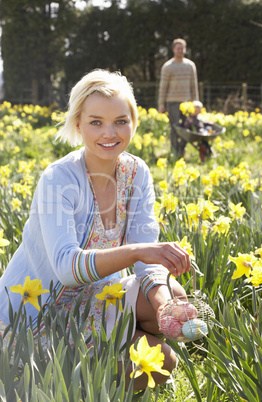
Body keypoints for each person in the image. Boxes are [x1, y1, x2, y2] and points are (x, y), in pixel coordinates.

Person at [0, 69, 191, 391]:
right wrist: (137, 251)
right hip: (38, 314)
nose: (109, 133)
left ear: (133, 121)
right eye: (95, 122)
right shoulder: (58, 178)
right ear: (78, 124)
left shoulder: (135, 172)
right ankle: (73, 377)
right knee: (162, 364)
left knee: (172, 295)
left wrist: (163, 307)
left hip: (95, 300)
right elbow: (66, 269)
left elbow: (148, 260)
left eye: (120, 120)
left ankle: (110, 346)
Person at [158, 38, 199, 156]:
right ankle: (174, 151)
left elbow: (194, 85)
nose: (180, 50)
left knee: (187, 129)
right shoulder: (168, 67)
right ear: (173, 49)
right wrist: (161, 105)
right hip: (172, 102)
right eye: (178, 48)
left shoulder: (190, 65)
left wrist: (195, 103)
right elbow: (163, 87)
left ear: (185, 49)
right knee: (175, 128)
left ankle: (182, 150)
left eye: (182, 48)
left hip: (187, 103)